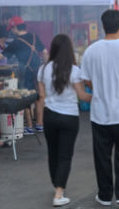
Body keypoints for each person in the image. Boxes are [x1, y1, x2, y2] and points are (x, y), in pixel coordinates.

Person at [80, 10, 119, 208]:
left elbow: (86, 79)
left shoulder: (91, 50)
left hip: (100, 114)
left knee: (102, 157)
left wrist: (100, 83)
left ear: (102, 26)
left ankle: (105, 196)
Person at [37, 34, 92, 206]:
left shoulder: (43, 69)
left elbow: (41, 97)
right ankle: (59, 193)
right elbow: (83, 96)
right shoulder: (75, 71)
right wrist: (98, 96)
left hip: (50, 116)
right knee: (65, 155)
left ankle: (57, 185)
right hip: (69, 117)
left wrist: (39, 121)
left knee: (53, 153)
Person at [3, 16, 47, 135]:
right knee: (40, 96)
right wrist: (46, 67)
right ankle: (39, 124)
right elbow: (44, 52)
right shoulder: (34, 36)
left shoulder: (16, 42)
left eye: (12, 28)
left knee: (26, 97)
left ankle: (29, 127)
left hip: (25, 72)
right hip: (38, 70)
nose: (12, 31)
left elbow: (2, 56)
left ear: (15, 27)